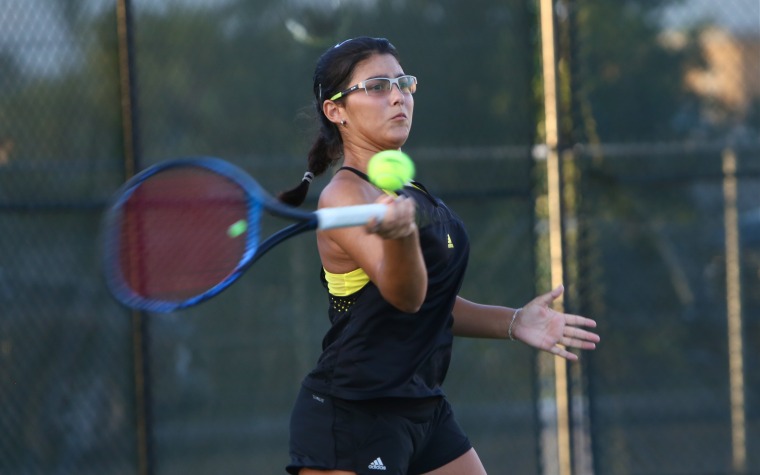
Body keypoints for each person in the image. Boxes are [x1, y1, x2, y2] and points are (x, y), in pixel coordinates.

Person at [279, 37, 600, 475]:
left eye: (402, 83)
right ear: (336, 111)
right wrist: (404, 237)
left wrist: (512, 321)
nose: (398, 96)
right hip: (352, 414)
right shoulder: (344, 198)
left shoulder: (408, 193)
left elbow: (431, 305)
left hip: (421, 404)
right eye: (376, 86)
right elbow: (404, 296)